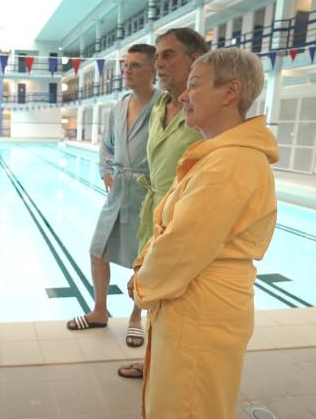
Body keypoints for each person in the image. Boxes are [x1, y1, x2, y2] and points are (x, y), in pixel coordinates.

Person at [127, 47, 277, 418]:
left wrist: (143, 283)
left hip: (200, 311)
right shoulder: (220, 155)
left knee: (189, 407)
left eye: (194, 84)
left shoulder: (229, 163)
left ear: (230, 92)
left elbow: (183, 245)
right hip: (193, 303)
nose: (182, 95)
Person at [117, 27, 206, 379]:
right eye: (158, 56)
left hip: (185, 219)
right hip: (153, 213)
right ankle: (155, 361)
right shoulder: (159, 108)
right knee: (154, 296)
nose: (159, 63)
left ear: (195, 60)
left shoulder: (206, 108)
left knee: (179, 297)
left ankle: (177, 367)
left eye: (168, 54)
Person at [66, 44, 161, 348]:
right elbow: (106, 146)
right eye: (125, 65)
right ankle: (99, 311)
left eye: (134, 66)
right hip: (118, 189)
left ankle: (136, 318)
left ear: (152, 70)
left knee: (142, 260)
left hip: (147, 194)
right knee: (98, 250)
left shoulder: (163, 106)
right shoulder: (119, 106)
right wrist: (105, 172)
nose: (127, 71)